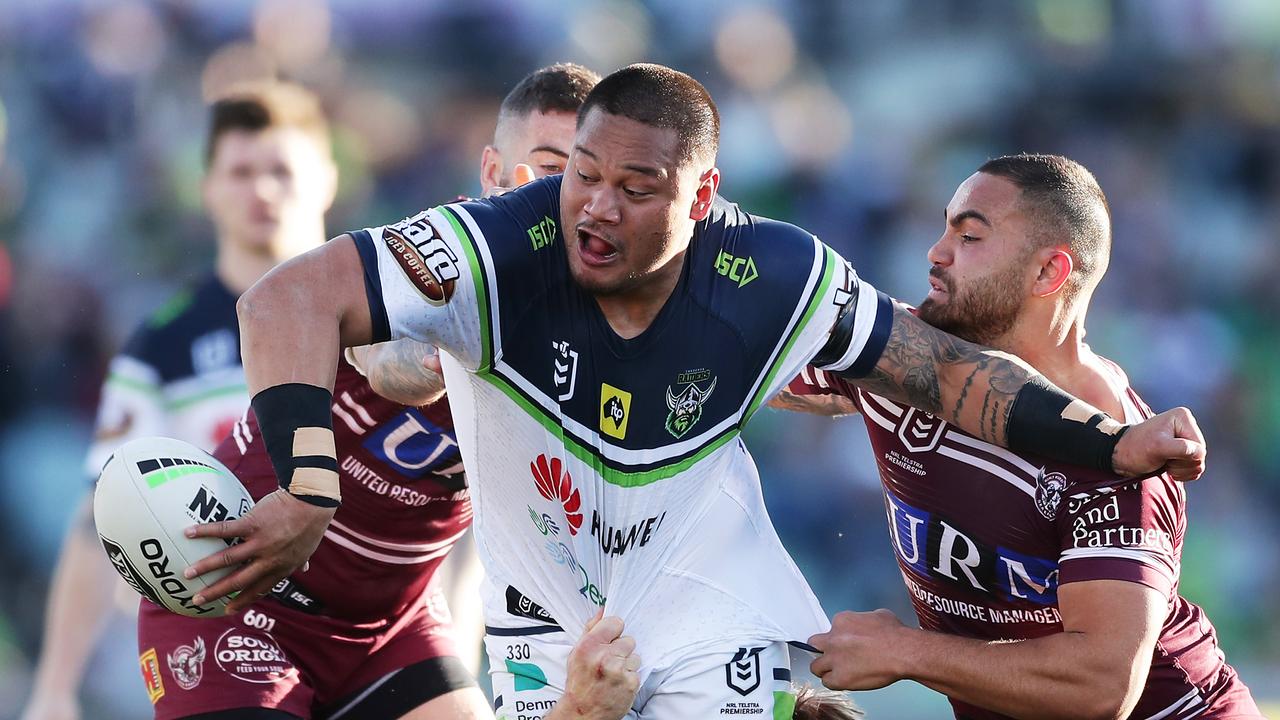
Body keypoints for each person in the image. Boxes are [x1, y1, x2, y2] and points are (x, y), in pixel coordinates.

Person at [187, 65, 1205, 718]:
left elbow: (949, 378)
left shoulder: (777, 282)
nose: (593, 205)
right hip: (540, 625)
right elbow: (290, 299)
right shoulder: (493, 247)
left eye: (635, 189)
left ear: (702, 199)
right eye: (577, 173)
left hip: (707, 613)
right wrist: (310, 482)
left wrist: (1107, 448)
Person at [786, 155, 1260, 718]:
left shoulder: (1123, 455)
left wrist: (906, 650)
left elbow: (1101, 685)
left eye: (968, 235)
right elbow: (756, 372)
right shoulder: (905, 361)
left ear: (1048, 274)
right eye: (943, 229)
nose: (935, 253)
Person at [21, 80, 337, 720]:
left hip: (368, 626)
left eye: (282, 169)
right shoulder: (162, 343)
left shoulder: (378, 319)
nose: (263, 190)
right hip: (233, 642)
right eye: (241, 171)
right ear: (207, 190)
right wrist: (54, 687)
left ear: (327, 178)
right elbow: (98, 518)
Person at [360, 62, 603, 679]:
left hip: (402, 617)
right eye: (552, 170)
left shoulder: (601, 296)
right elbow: (381, 359)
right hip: (284, 586)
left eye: (589, 174)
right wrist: (442, 355)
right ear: (493, 172)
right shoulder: (434, 257)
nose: (571, 196)